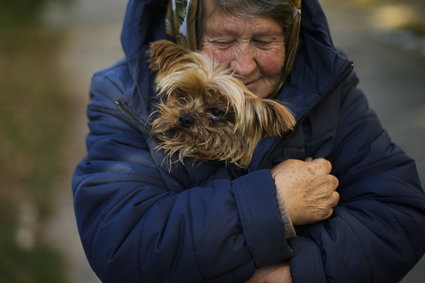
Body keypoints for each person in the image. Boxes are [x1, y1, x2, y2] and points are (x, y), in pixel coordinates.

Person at [72, 0, 425, 282]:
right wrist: (275, 202)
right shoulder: (122, 94)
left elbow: (400, 217)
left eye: (264, 41)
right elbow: (122, 246)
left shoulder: (329, 89)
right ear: (185, 32)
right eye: (222, 42)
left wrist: (293, 275)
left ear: (291, 35)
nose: (242, 65)